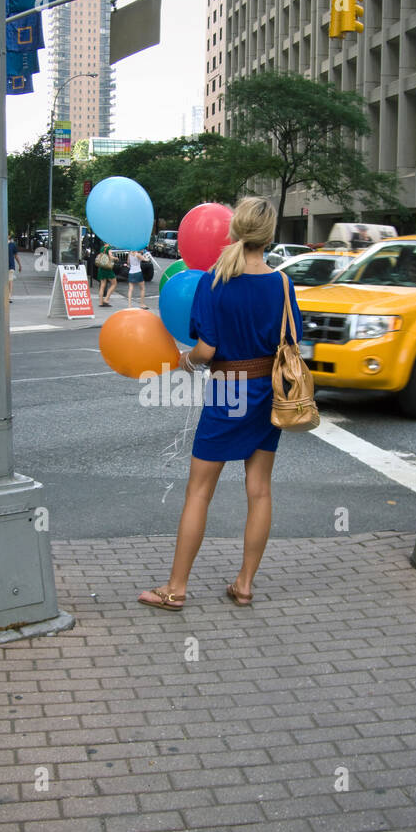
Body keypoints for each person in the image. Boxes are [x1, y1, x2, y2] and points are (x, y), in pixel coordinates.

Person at [138, 197, 303, 612]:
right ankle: (244, 584)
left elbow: (207, 349)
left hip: (228, 388)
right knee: (260, 491)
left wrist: (185, 361)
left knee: (199, 492)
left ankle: (176, 588)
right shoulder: (283, 284)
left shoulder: (215, 280)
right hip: (269, 393)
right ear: (268, 236)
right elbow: (293, 341)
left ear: (236, 230)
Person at [7, 232, 21, 305]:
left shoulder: (12, 245)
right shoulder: (0, 244)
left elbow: (16, 256)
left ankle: (9, 297)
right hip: (2, 267)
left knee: (10, 281)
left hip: (10, 266)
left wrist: (19, 265)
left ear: (9, 236)